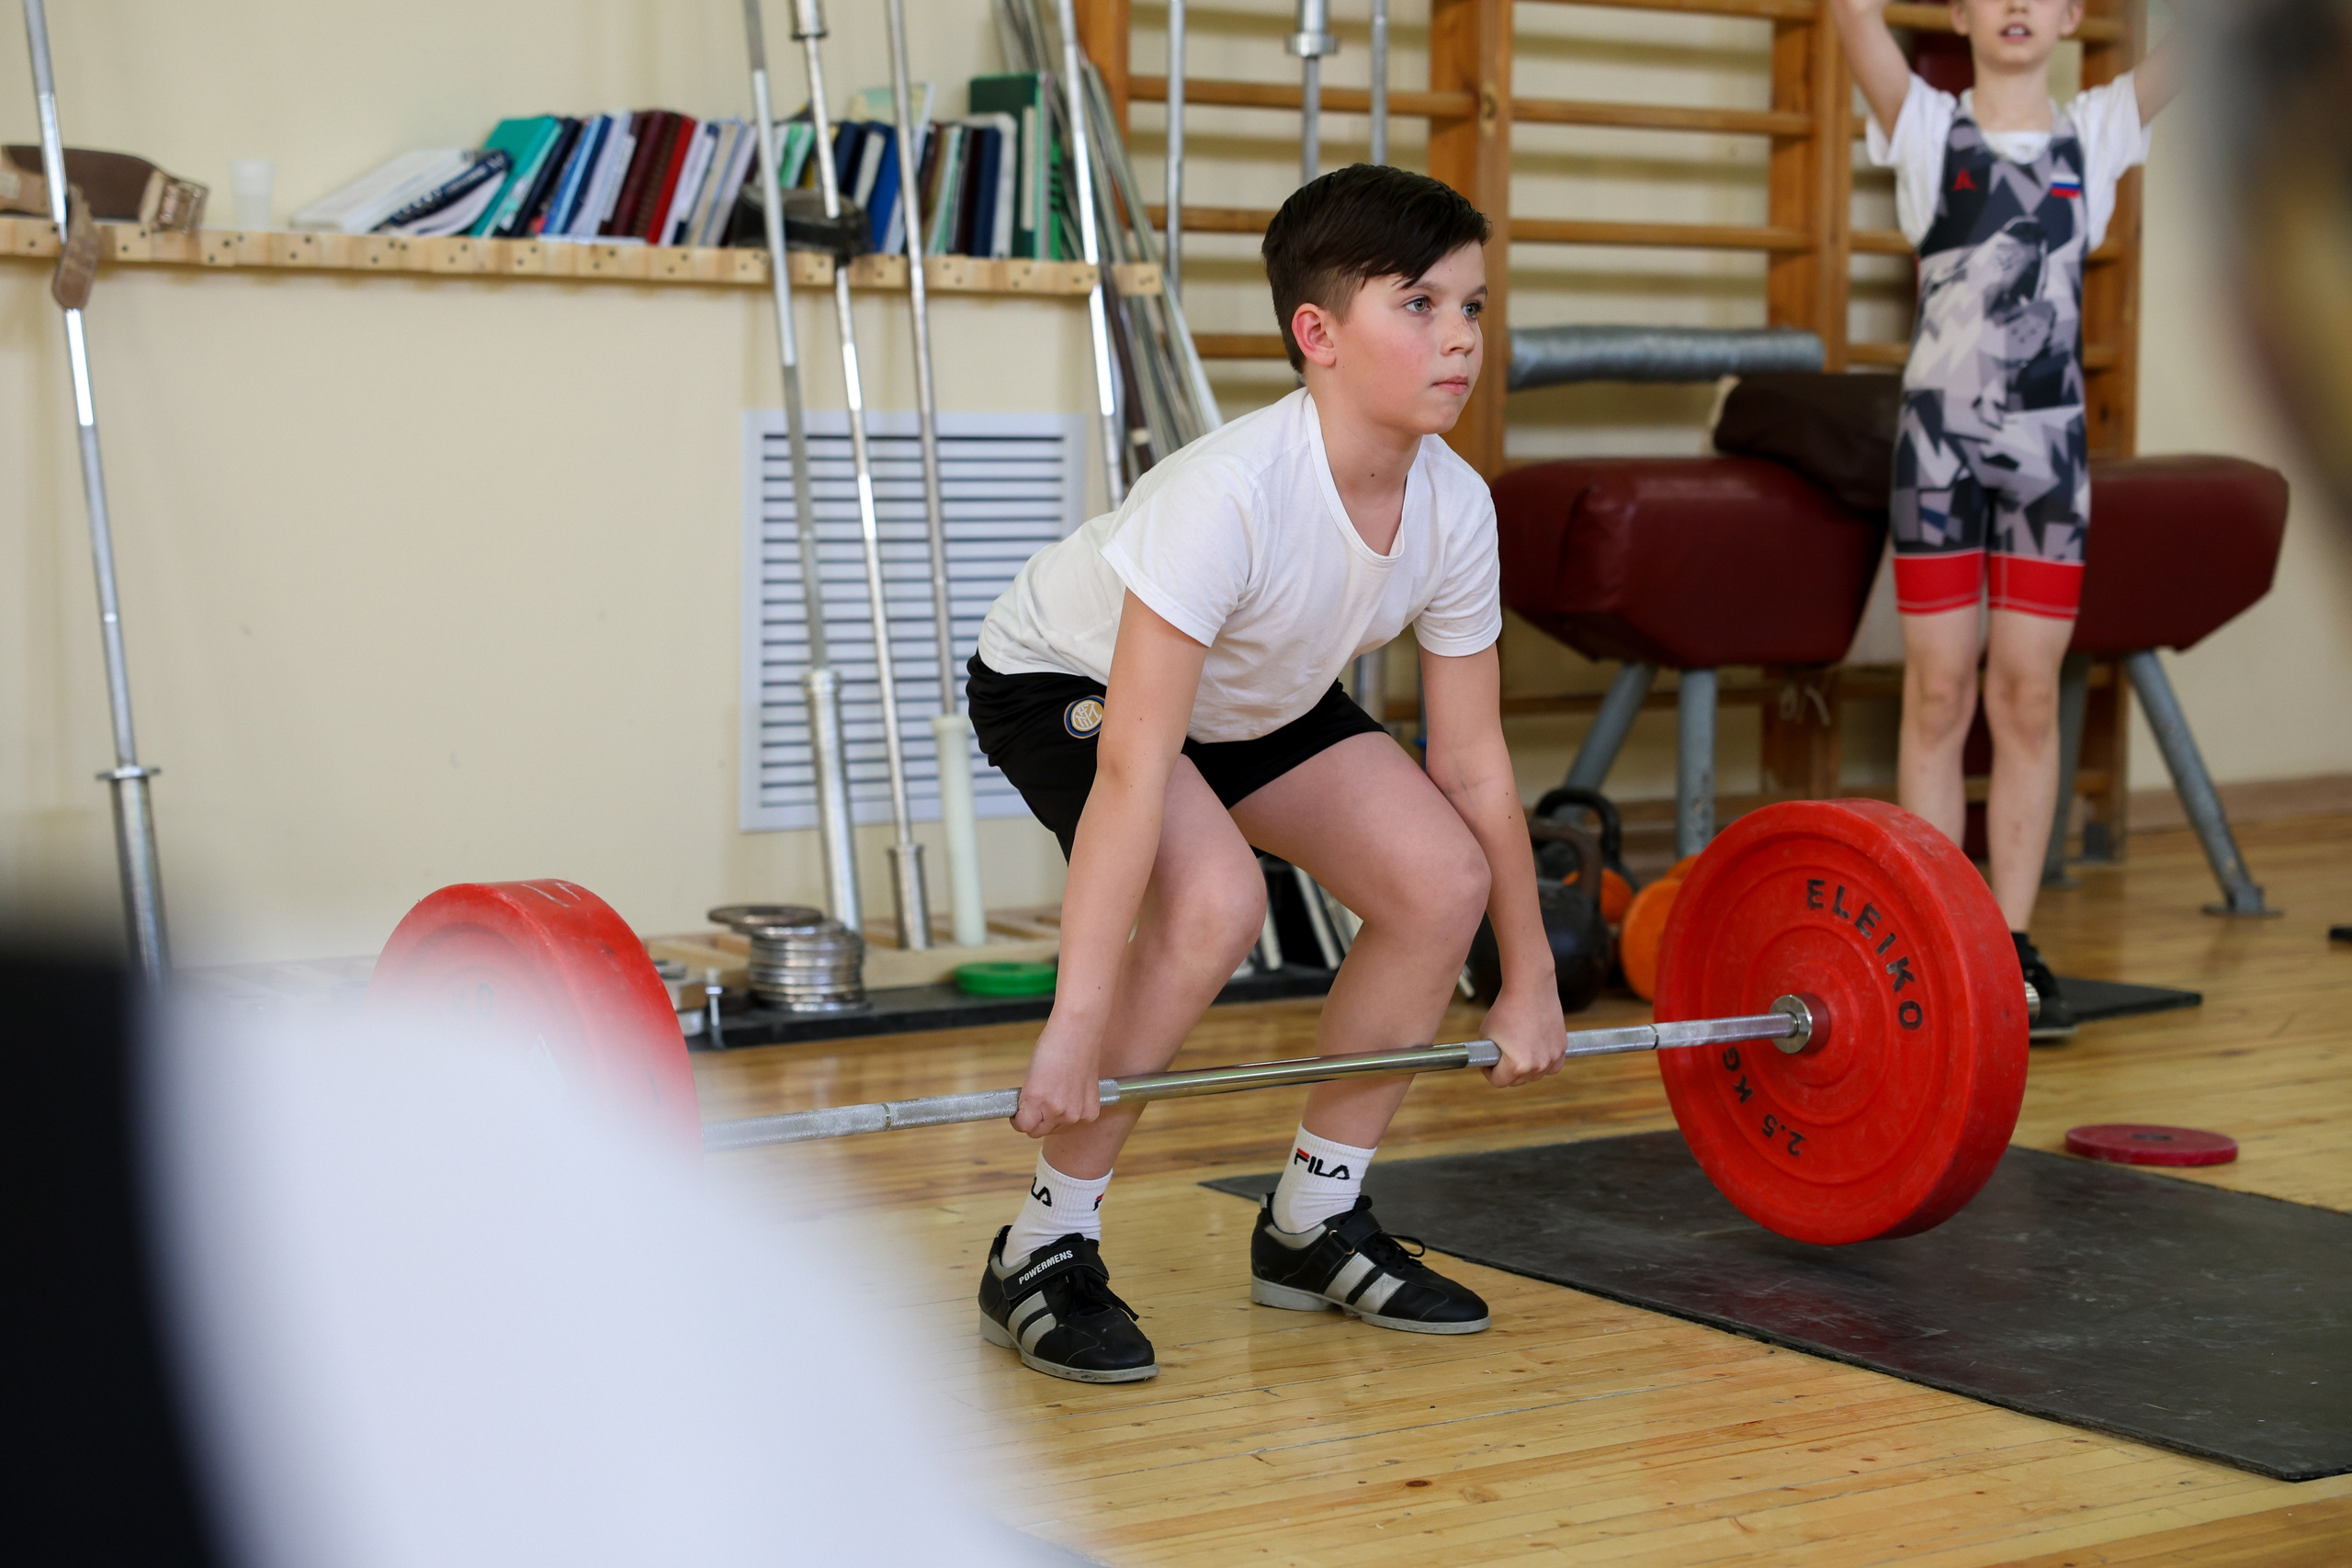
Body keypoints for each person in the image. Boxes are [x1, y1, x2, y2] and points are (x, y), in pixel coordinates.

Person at [961, 164, 1570, 1384]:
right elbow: (1135, 764)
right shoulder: (1229, 494)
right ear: (1318, 334)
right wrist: (1075, 1023)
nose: (1460, 337)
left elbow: (1473, 763)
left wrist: (1529, 975)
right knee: (1214, 903)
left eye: (1472, 306)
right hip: (1068, 680)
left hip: (1253, 697)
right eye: (1420, 305)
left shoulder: (1456, 506)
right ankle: (1040, 1245)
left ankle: (1312, 1220)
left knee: (1440, 882)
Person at [1830, 0, 2183, 1032]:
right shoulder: (1924, 127)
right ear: (1959, 12)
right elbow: (1851, 18)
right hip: (1938, 457)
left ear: (2073, 16)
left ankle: (2013, 942)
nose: (2017, 5)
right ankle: (1937, 933)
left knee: (2027, 699)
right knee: (1938, 693)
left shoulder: (2099, 130)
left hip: (2046, 460)